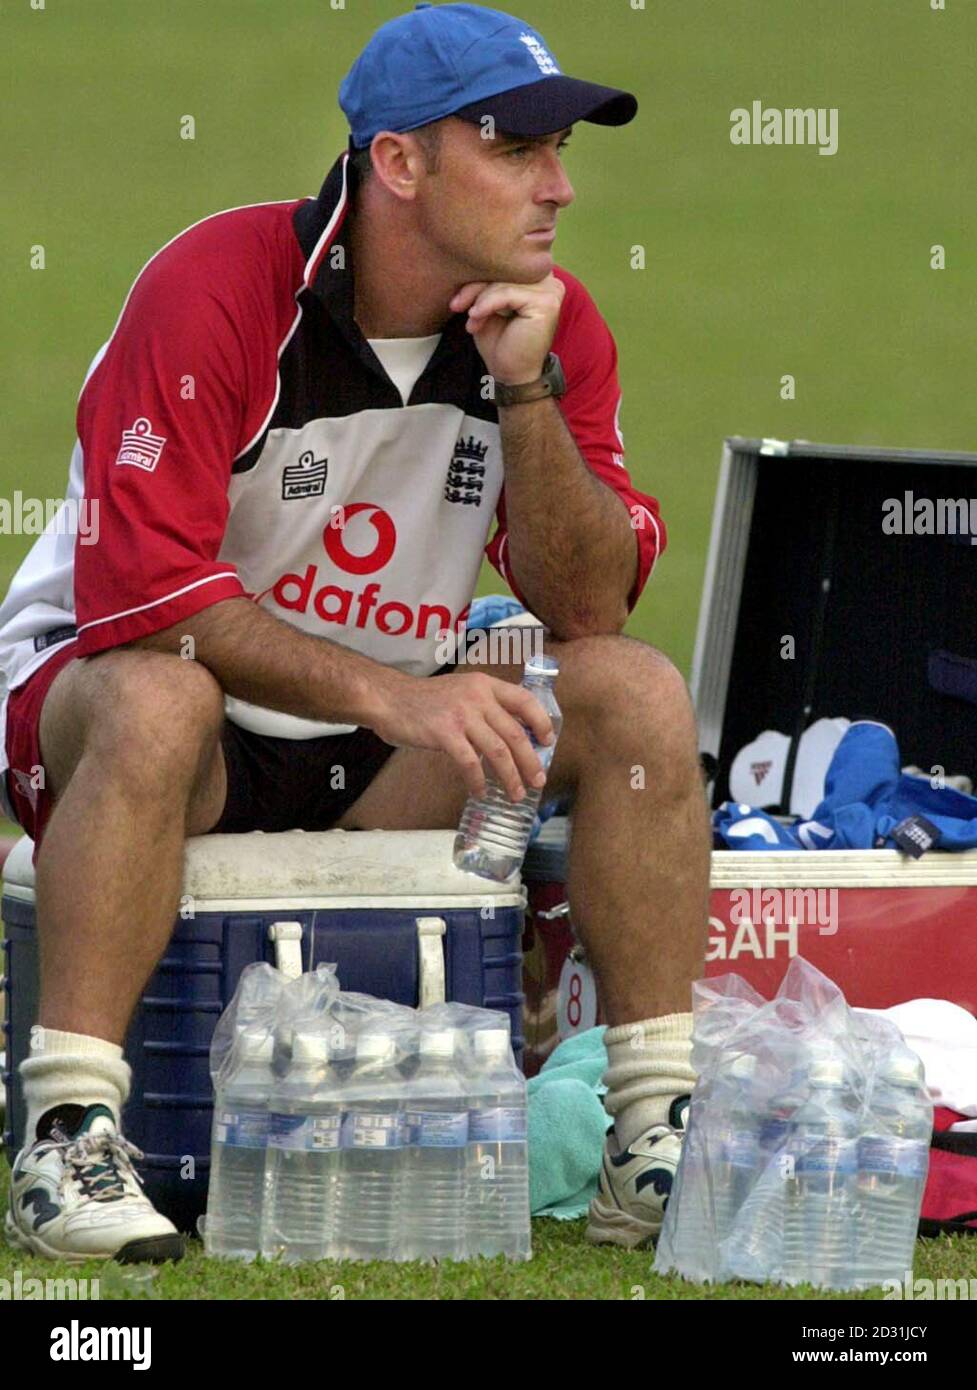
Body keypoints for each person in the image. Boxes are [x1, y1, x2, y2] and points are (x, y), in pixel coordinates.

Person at [0, 2, 710, 1263]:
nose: (557, 187)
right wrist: (403, 695)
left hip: (364, 747)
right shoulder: (215, 286)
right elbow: (149, 599)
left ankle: (654, 1138)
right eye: (517, 148)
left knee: (633, 693)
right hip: (119, 710)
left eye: (563, 152)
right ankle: (66, 1134)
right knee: (164, 695)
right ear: (398, 164)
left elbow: (589, 605)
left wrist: (525, 391)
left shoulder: (549, 324)